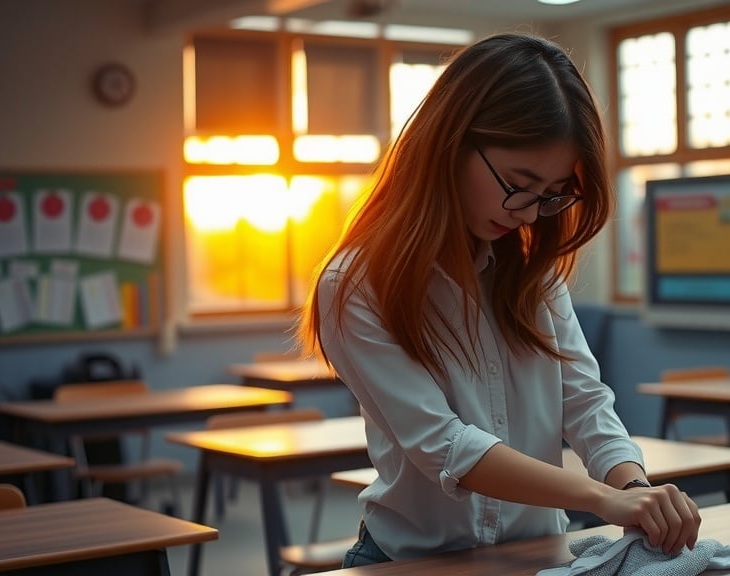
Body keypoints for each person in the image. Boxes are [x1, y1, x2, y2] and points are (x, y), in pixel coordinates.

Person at [299, 32, 701, 567]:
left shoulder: (531, 272)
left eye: (552, 193)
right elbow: (444, 446)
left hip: (536, 556)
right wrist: (601, 498)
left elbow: (584, 402)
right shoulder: (356, 285)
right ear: (451, 142)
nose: (531, 214)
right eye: (519, 183)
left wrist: (632, 484)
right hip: (409, 563)